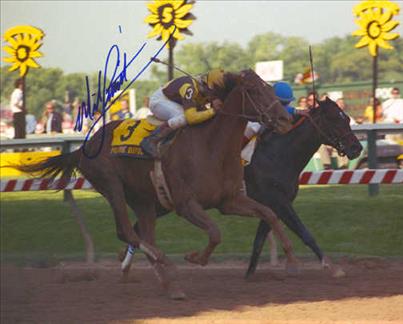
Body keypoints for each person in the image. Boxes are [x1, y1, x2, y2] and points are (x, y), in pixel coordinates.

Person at [140, 68, 233, 157]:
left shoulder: (204, 88)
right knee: (183, 117)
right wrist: (213, 111)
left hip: (175, 102)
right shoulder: (189, 87)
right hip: (160, 101)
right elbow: (191, 118)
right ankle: (151, 140)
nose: (215, 96)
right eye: (215, 93)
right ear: (208, 86)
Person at [243, 81, 308, 146]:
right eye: (283, 103)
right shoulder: (264, 105)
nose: (284, 106)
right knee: (255, 125)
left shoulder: (289, 110)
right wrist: (296, 111)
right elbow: (281, 110)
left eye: (286, 103)